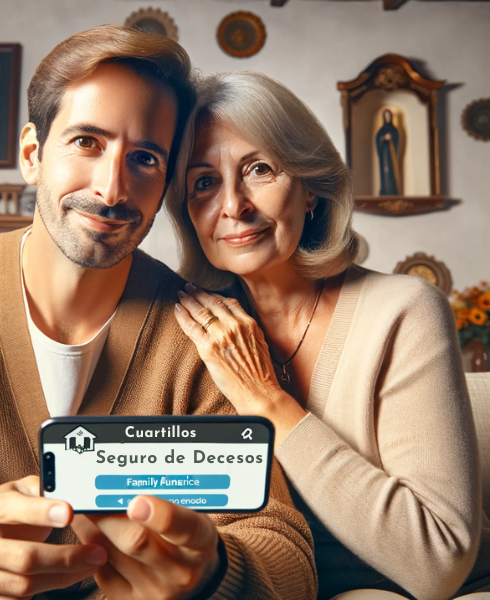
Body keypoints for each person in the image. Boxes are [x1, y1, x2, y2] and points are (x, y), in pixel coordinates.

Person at [0, 28, 317, 600]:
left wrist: (215, 570)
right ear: (31, 154)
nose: (113, 188)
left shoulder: (200, 332)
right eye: (87, 142)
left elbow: (284, 549)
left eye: (145, 158)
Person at [168, 70, 490, 600]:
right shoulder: (187, 327)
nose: (234, 206)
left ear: (311, 188)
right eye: (204, 182)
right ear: (188, 212)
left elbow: (438, 562)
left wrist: (266, 399)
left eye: (259, 170)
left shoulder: (404, 310)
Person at [376, 108, 401, 196]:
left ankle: (393, 190)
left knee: (392, 172)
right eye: (386, 116)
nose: (387, 118)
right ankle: (385, 190)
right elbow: (378, 140)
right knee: (385, 171)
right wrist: (383, 138)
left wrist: (391, 138)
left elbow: (397, 141)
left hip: (391, 154)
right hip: (384, 155)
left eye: (389, 116)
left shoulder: (394, 129)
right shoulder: (381, 130)